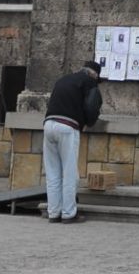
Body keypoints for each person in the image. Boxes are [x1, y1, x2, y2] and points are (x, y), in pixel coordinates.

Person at [41, 59, 104, 223]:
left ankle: (53, 212)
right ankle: (68, 213)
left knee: (52, 173)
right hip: (67, 127)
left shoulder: (64, 79)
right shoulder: (90, 83)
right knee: (69, 173)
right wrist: (89, 121)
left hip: (48, 124)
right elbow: (91, 107)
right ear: (94, 75)